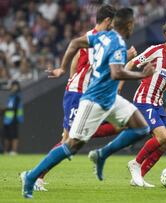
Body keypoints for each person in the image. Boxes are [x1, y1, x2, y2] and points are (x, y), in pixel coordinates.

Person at [21, 8, 155, 199]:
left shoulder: (101, 37)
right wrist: (136, 68)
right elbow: (111, 69)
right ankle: (34, 176)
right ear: (111, 21)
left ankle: (101, 154)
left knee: (139, 127)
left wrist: (63, 69)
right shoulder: (106, 40)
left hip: (104, 96)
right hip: (86, 95)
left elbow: (77, 48)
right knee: (70, 142)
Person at [91, 17, 166, 187]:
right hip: (144, 99)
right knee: (161, 136)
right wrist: (119, 84)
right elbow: (132, 62)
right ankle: (135, 163)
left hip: (157, 103)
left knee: (165, 144)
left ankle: (138, 176)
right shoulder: (156, 50)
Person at [33, 4, 126, 192]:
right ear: (107, 21)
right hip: (78, 94)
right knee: (70, 141)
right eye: (113, 24)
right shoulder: (97, 39)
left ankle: (37, 176)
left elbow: (75, 57)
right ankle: (36, 176)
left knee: (118, 125)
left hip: (84, 94)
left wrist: (71, 77)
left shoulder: (93, 38)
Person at [2, 80, 23, 155]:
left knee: (14, 135)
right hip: (7, 119)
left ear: (17, 86)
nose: (12, 87)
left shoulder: (17, 96)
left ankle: (14, 151)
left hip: (14, 118)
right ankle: (6, 151)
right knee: (6, 136)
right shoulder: (11, 96)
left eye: (13, 85)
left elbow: (15, 108)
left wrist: (4, 109)